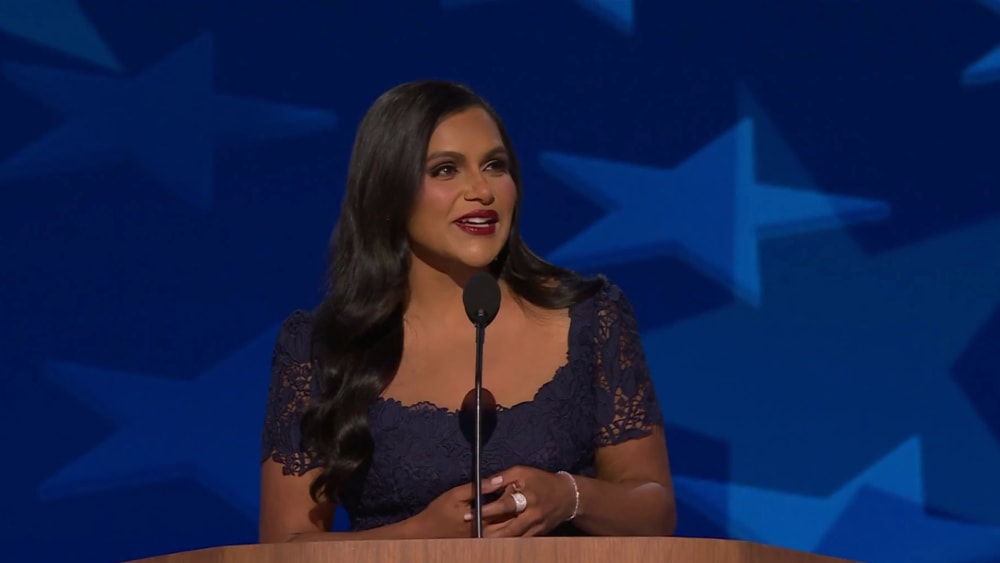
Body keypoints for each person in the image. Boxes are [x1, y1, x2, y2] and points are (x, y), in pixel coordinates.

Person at [258, 80, 676, 542]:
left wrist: (568, 495)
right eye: (445, 170)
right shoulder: (323, 348)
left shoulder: (591, 317)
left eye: (495, 165)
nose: (482, 190)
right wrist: (420, 534)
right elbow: (285, 545)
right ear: (388, 192)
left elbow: (653, 512)